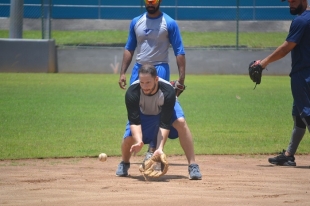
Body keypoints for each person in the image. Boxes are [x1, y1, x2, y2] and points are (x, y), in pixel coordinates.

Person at [118, 0, 187, 158]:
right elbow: (129, 47)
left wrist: (181, 78)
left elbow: (179, 50)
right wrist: (123, 72)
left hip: (160, 69)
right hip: (139, 70)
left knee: (160, 111)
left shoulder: (169, 23)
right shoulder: (136, 22)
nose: (150, 1)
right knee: (137, 108)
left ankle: (153, 148)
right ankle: (137, 141)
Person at [115, 64, 202, 180]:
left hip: (164, 109)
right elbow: (134, 122)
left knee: (180, 122)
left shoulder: (168, 91)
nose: (144, 86)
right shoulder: (132, 92)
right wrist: (139, 141)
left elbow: (164, 123)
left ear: (156, 79)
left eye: (148, 82)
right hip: (144, 113)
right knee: (128, 139)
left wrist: (160, 148)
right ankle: (125, 163)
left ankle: (193, 165)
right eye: (142, 82)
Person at [254, 0, 310, 166]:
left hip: (303, 75)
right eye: (288, 1)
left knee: (307, 114)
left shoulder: (301, 21)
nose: (290, 4)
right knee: (299, 115)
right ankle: (289, 154)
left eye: (293, 0)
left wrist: (262, 64)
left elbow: (286, 48)